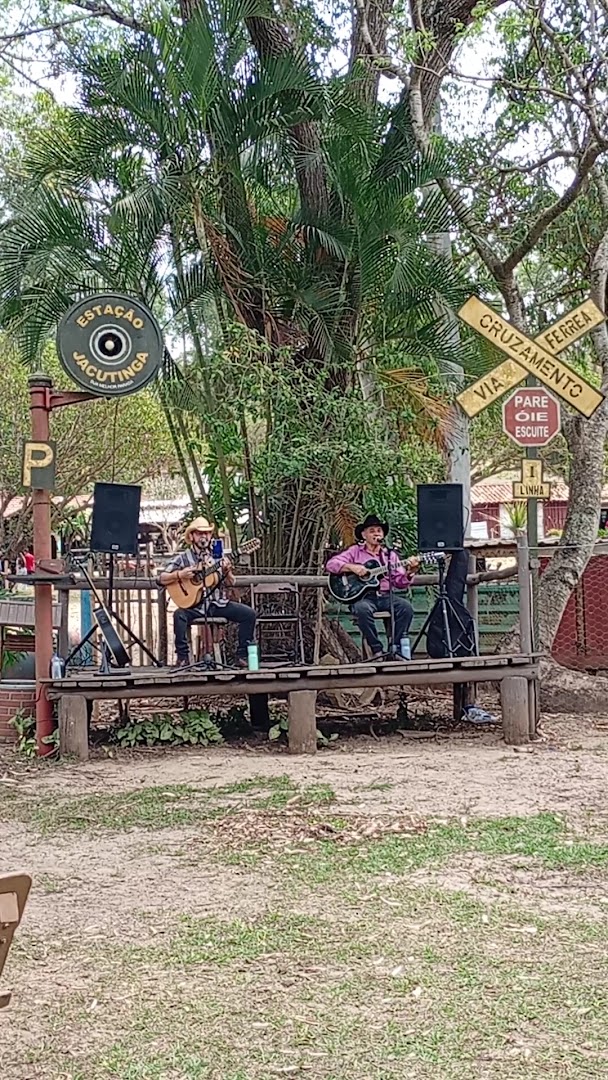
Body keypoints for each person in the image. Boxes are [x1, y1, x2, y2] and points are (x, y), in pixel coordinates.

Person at [158, 517, 256, 667]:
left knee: (249, 614)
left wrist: (227, 571)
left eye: (207, 534)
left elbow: (231, 583)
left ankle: (242, 656)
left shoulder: (218, 557)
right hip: (194, 607)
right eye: (199, 533)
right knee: (179, 615)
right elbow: (161, 578)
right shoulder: (183, 558)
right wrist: (179, 575)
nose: (204, 537)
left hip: (217, 604)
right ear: (192, 537)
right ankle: (183, 658)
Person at [325, 514, 419, 657]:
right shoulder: (355, 551)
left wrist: (410, 573)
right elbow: (331, 565)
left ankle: (395, 647)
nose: (376, 533)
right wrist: (352, 568)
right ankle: (376, 650)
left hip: (385, 597)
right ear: (364, 535)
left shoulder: (390, 556)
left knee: (405, 608)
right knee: (362, 609)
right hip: (363, 598)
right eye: (372, 530)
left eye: (379, 531)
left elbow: (400, 583)